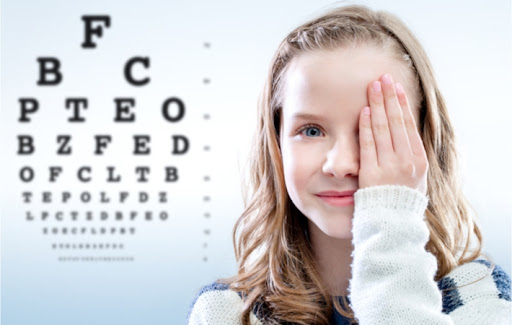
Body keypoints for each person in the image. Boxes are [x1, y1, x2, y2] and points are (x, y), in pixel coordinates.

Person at [187, 4, 511, 324]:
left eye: (373, 132)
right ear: (277, 145)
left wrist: (390, 213)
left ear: (424, 141)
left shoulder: (480, 297)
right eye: (311, 131)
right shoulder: (225, 313)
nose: (341, 164)